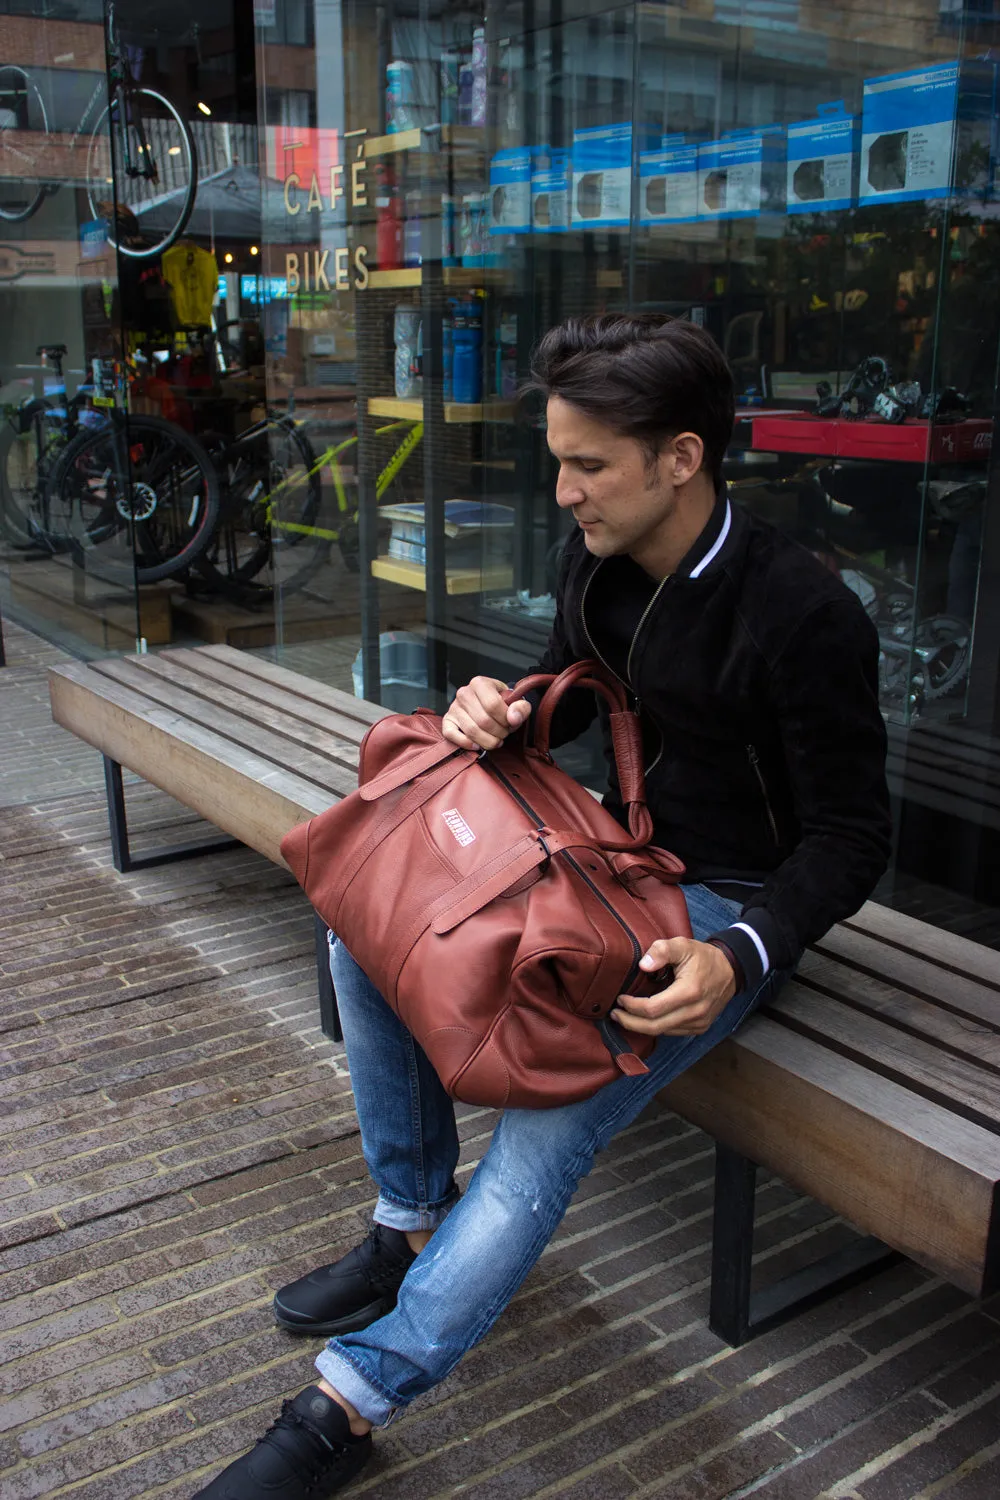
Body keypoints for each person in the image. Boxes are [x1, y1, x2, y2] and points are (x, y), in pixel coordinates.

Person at [192, 314, 891, 1499]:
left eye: (588, 465)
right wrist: (504, 711)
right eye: (557, 460)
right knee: (368, 937)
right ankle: (409, 1218)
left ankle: (345, 1408)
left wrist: (743, 953)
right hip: (594, 861)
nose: (563, 492)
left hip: (716, 917)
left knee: (541, 1141)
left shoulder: (802, 613)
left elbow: (853, 838)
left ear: (681, 458)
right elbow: (577, 693)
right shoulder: (602, 563)